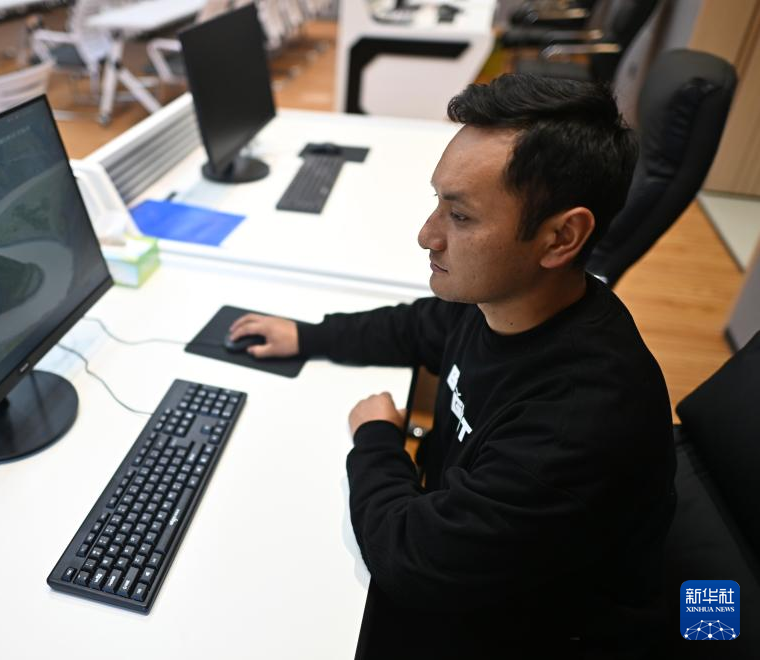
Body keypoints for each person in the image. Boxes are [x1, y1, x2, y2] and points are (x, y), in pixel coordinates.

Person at [229, 75, 675, 658]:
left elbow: (409, 558)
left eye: (460, 217)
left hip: (536, 624)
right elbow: (420, 326)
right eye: (437, 201)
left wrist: (377, 438)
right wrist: (309, 335)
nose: (427, 235)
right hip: (478, 552)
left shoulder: (578, 422)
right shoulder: (512, 298)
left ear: (561, 237)